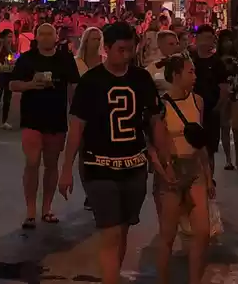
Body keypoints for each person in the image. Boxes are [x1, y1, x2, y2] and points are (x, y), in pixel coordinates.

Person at [59, 23, 172, 284]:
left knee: (121, 231)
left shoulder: (141, 79)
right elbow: (77, 126)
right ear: (106, 49)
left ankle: (112, 274)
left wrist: (165, 159)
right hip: (98, 167)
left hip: (134, 167)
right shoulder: (91, 81)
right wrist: (67, 169)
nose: (126, 55)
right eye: (121, 50)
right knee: (110, 233)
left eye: (130, 50)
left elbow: (155, 121)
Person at [10, 22, 80, 228]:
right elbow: (13, 84)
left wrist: (74, 113)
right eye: (43, 34)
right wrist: (31, 84)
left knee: (51, 164)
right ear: (37, 37)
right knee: (32, 162)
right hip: (32, 117)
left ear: (56, 37)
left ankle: (46, 208)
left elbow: (73, 86)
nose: (47, 37)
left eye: (51, 34)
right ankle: (30, 210)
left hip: (56, 118)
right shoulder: (27, 59)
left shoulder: (65, 59)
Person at [154, 54, 214, 284]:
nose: (194, 76)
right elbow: (153, 146)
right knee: (167, 236)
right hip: (171, 170)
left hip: (195, 169)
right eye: (190, 72)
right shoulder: (161, 106)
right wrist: (164, 171)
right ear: (176, 75)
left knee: (202, 233)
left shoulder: (198, 101)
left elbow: (201, 144)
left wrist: (208, 177)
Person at [191, 24, 229, 177]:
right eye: (205, 38)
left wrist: (217, 109)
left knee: (209, 151)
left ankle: (209, 183)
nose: (208, 41)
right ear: (197, 39)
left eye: (211, 38)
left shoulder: (217, 63)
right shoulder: (190, 61)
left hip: (210, 112)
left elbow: (224, 89)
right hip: (192, 113)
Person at [216, 29, 238, 172]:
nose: (227, 43)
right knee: (224, 127)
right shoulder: (216, 58)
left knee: (237, 127)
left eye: (229, 40)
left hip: (237, 93)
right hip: (222, 94)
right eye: (224, 41)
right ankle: (228, 160)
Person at [145, 29, 182, 94]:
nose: (176, 47)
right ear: (159, 45)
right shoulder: (151, 69)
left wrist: (170, 87)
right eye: (171, 44)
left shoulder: (184, 65)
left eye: (177, 44)